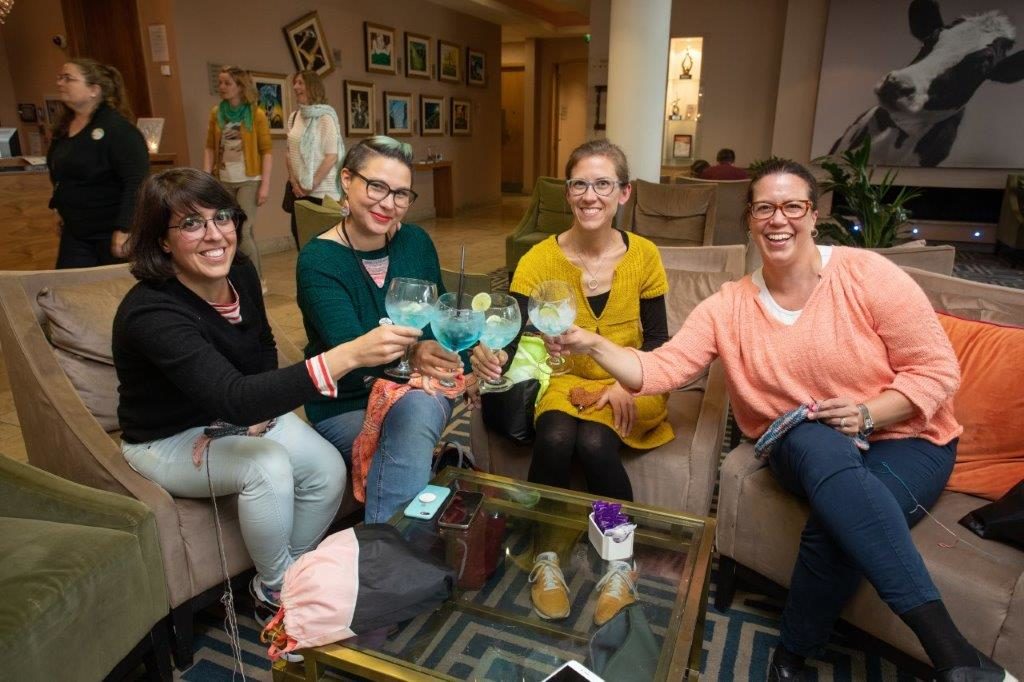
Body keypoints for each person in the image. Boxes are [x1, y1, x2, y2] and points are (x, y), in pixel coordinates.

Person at [546, 158, 1012, 681]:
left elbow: (937, 371)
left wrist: (865, 413)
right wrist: (591, 342)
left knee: (836, 526)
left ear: (814, 216)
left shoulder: (867, 274)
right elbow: (661, 368)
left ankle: (791, 659)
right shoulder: (729, 306)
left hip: (908, 437)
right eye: (765, 207)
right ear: (749, 219)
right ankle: (957, 657)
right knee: (817, 441)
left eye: (793, 206)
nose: (778, 219)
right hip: (801, 442)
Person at [113, 168, 421, 627]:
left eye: (222, 218)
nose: (215, 235)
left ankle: (280, 576)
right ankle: (278, 589)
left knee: (325, 468)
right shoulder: (151, 312)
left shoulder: (240, 272)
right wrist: (347, 356)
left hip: (230, 416)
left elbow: (261, 353)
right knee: (266, 466)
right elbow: (234, 396)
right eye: (191, 224)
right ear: (162, 240)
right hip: (165, 437)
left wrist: (255, 412)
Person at [471, 139, 672, 624]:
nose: (590, 195)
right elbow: (513, 337)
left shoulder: (644, 256)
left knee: (597, 442)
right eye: (580, 184)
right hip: (565, 379)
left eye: (603, 184)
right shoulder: (539, 258)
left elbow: (659, 342)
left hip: (630, 380)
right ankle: (547, 556)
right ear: (567, 193)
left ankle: (620, 564)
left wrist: (625, 383)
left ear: (623, 193)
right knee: (559, 434)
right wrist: (486, 353)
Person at [296, 136, 462, 524]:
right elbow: (351, 353)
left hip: (420, 386)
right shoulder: (319, 260)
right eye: (377, 187)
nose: (388, 203)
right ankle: (401, 547)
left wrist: (469, 353)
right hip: (347, 400)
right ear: (347, 181)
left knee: (417, 405)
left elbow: (440, 318)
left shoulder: (415, 242)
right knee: (411, 420)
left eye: (401, 194)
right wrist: (413, 352)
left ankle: (386, 557)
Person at [47, 58, 149, 268]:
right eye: (60, 77)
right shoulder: (64, 129)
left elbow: (137, 181)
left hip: (110, 229)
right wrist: (58, 208)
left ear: (94, 89)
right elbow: (60, 174)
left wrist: (125, 228)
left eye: (69, 78)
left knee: (111, 291)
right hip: (76, 230)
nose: (60, 83)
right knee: (71, 291)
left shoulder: (118, 130)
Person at [203, 66, 272, 284]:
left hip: (249, 180)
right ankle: (240, 277)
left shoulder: (256, 115)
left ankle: (256, 281)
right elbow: (209, 147)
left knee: (243, 228)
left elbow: (266, 151)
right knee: (231, 230)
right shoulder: (217, 113)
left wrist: (265, 185)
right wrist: (206, 176)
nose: (222, 87)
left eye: (227, 83)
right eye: (220, 83)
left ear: (240, 87)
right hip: (223, 179)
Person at [286, 70, 343, 248]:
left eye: (300, 83)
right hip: (298, 190)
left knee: (325, 245)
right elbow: (288, 152)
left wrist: (311, 184)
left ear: (312, 86)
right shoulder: (294, 117)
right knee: (301, 240)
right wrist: (295, 183)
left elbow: (331, 156)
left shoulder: (326, 118)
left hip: (323, 192)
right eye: (295, 83)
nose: (296, 87)